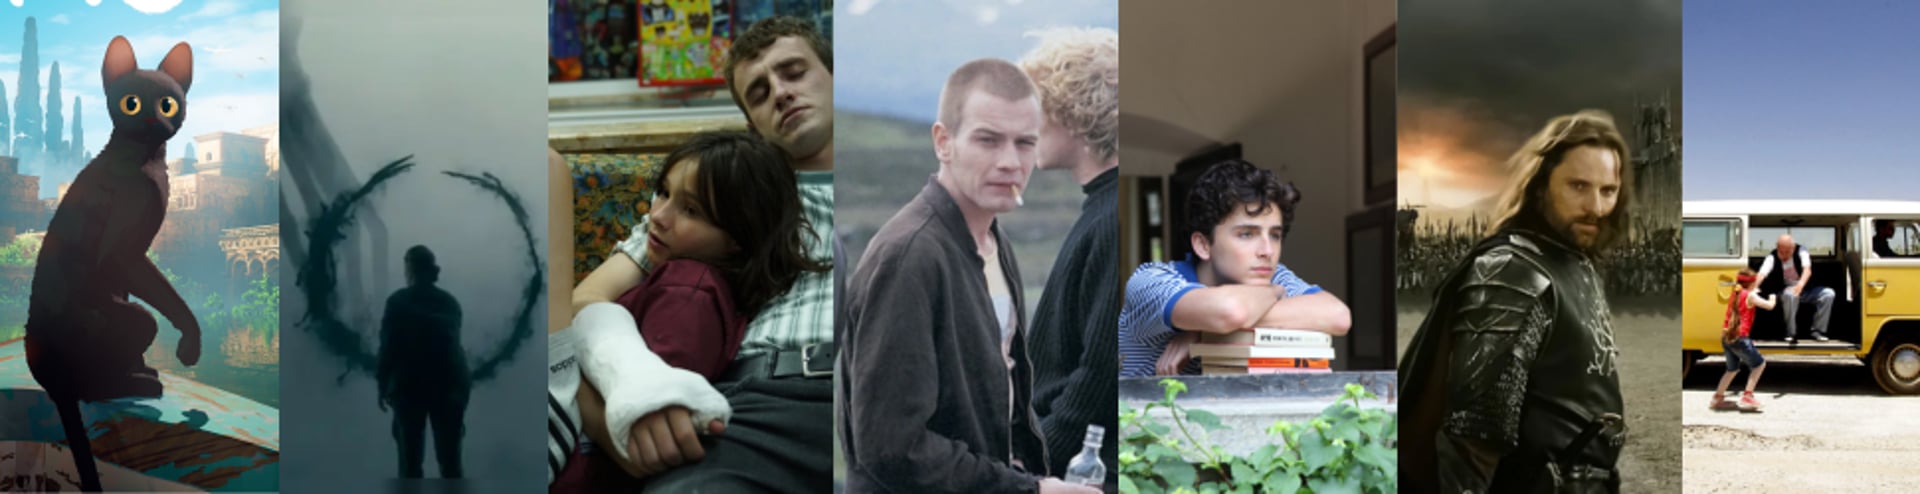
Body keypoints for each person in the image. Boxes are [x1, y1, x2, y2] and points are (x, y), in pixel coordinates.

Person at [564, 15, 837, 491]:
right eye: (759, 93)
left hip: (890, 391)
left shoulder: (923, 185)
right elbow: (583, 304)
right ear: (752, 126)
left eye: (794, 72)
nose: (781, 93)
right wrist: (624, 405)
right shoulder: (718, 199)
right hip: (763, 402)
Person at [839, 58, 1092, 494]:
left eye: (1025, 143)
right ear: (943, 142)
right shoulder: (909, 257)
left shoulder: (994, 240)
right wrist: (1029, 491)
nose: (1010, 162)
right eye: (988, 140)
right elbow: (891, 447)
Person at [1399, 110, 1632, 492]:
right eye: (1578, 186)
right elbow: (1472, 440)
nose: (1596, 206)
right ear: (1541, 186)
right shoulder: (1513, 272)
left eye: (1608, 190)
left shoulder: (1575, 263)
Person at [1118, 160, 1351, 378]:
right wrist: (1274, 292)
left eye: (1274, 235)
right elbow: (1231, 312)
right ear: (1203, 245)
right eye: (1247, 234)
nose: (1267, 251)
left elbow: (1338, 316)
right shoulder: (1151, 281)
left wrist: (1201, 333)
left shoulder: (1269, 274)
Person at [1017, 26, 1121, 488]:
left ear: (1076, 113)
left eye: (1038, 108)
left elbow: (1100, 373)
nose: (1027, 127)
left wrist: (1032, 463)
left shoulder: (1114, 218)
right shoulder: (1104, 208)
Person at [378, 245, 471, 479]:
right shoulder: (448, 302)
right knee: (450, 464)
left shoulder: (398, 302)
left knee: (410, 464)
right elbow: (454, 347)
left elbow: (388, 347)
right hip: (447, 388)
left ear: (410, 269)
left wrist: (383, 383)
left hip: (409, 388)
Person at [1712, 268, 1777, 411]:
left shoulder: (1736, 292)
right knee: (1759, 365)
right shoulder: (1751, 296)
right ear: (1752, 284)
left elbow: (1747, 296)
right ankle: (1748, 395)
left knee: (1732, 369)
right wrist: (1773, 296)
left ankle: (1717, 398)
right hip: (1740, 338)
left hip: (1726, 336)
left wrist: (1754, 292)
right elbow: (1769, 306)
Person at [1757, 233, 1833, 342]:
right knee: (1790, 295)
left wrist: (1800, 285)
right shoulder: (1771, 257)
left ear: (1793, 248)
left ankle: (1818, 331)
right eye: (1781, 252)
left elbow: (1807, 270)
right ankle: (1791, 333)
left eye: (1787, 252)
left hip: (1805, 289)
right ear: (1777, 247)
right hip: (1785, 291)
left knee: (1828, 294)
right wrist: (1752, 288)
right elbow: (1761, 274)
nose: (1784, 255)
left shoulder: (1801, 251)